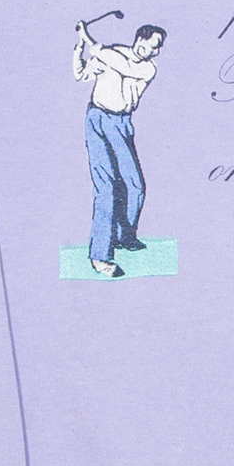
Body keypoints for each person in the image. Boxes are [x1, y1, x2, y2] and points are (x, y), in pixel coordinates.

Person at [73, 21, 165, 277]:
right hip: (97, 119)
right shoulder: (111, 53)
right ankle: (100, 257)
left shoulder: (147, 67)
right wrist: (80, 46)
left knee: (135, 186)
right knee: (106, 189)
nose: (155, 51)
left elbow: (123, 66)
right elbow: (81, 74)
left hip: (121, 124)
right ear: (140, 39)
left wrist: (90, 40)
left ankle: (125, 236)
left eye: (158, 48)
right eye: (153, 45)